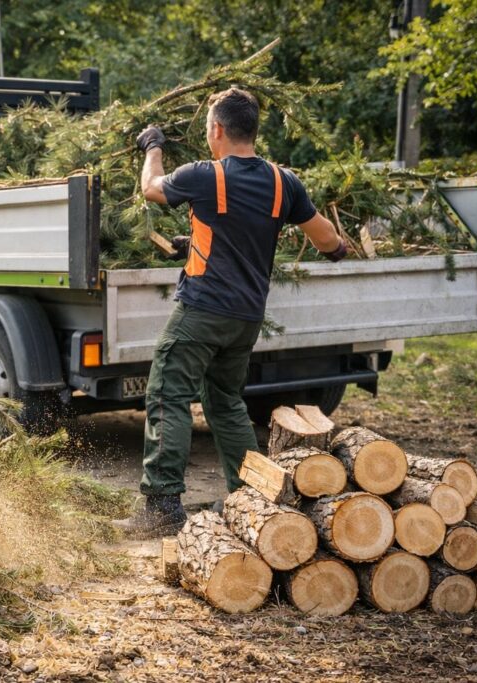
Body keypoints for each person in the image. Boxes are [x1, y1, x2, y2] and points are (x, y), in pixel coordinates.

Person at [112, 88, 347, 539]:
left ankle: (162, 504)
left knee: (167, 391)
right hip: (245, 319)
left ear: (217, 130)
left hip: (202, 310)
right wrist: (338, 248)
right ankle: (250, 498)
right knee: (224, 401)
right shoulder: (284, 182)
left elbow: (151, 188)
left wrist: (153, 146)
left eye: (208, 129)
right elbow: (325, 239)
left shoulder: (204, 175)